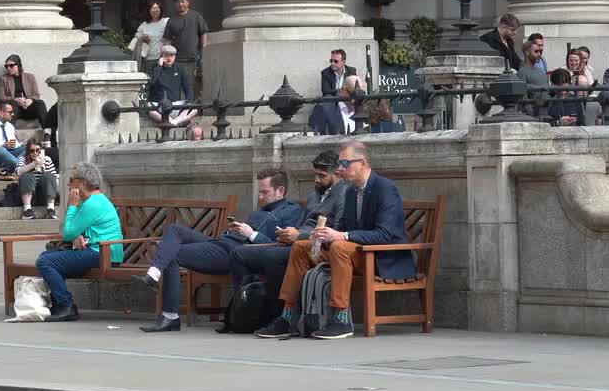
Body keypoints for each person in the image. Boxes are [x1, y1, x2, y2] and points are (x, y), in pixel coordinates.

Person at [256, 141, 417, 340]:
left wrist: (342, 236)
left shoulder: (385, 188)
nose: (340, 169)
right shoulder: (349, 191)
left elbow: (385, 234)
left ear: (363, 163)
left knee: (339, 246)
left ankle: (341, 318)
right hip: (354, 251)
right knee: (300, 246)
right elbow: (341, 228)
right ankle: (288, 316)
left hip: (380, 256)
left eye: (346, 163)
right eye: (340, 163)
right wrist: (323, 234)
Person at [135, 167, 303, 333]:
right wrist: (236, 229)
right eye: (260, 192)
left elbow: (279, 246)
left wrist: (252, 235)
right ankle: (154, 273)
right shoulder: (260, 211)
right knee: (174, 230)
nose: (260, 197)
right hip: (222, 242)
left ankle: (170, 316)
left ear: (280, 191)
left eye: (264, 192)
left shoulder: (292, 211)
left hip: (233, 253)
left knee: (170, 253)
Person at [230, 151, 349, 303]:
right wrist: (287, 234)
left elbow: (337, 232)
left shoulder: (344, 194)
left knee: (272, 257)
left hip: (318, 247)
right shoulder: (314, 195)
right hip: (297, 243)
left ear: (337, 174)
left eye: (322, 175)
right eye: (315, 174)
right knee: (238, 254)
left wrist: (299, 236)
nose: (316, 180)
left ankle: (279, 311)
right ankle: (243, 312)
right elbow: (301, 224)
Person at [34, 162, 123, 322]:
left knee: (45, 261)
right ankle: (59, 305)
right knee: (48, 255)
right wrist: (76, 236)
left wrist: (72, 207)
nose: (68, 183)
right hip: (98, 251)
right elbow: (71, 232)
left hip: (102, 253)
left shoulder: (92, 203)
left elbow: (67, 232)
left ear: (82, 182)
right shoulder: (94, 200)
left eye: (71, 179)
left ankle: (66, 306)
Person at [162, 0, 209, 93]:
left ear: (188, 2)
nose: (180, 4)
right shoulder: (171, 20)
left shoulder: (196, 16)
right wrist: (167, 58)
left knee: (194, 86)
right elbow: (167, 40)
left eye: (183, 1)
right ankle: (181, 108)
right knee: (178, 86)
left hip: (194, 58)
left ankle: (196, 108)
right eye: (178, 2)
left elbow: (203, 32)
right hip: (177, 60)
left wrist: (204, 50)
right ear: (174, 4)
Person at [147, 45, 198, 129]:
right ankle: (173, 121)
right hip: (159, 106)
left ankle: (174, 122)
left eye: (171, 55)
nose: (169, 58)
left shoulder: (180, 69)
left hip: (176, 105)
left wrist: (189, 102)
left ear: (175, 57)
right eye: (166, 55)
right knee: (149, 108)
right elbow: (151, 83)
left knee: (195, 108)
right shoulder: (154, 68)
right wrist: (159, 67)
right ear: (161, 56)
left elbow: (187, 87)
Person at [310, 49, 357, 135]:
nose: (332, 63)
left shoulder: (351, 71)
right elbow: (325, 91)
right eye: (331, 61)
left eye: (336, 61)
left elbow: (354, 88)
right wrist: (340, 92)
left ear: (344, 61)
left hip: (348, 102)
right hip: (333, 103)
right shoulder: (325, 73)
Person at [0, 54, 48, 124]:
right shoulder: (3, 79)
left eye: (11, 65)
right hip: (14, 108)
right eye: (6, 66)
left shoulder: (30, 77)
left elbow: (36, 94)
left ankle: (47, 132)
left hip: (27, 107)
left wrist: (30, 100)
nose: (8, 68)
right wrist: (15, 99)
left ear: (18, 65)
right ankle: (10, 133)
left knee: (40, 103)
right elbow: (2, 97)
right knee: (12, 105)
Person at [15, 138, 59, 220]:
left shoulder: (47, 159)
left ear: (41, 150)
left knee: (49, 176)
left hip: (45, 194)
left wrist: (43, 167)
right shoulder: (23, 159)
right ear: (28, 151)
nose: (35, 153)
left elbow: (54, 180)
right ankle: (27, 210)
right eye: (32, 151)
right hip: (29, 194)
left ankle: (51, 209)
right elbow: (18, 172)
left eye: (37, 150)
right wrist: (33, 164)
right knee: (27, 176)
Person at [131, 1, 169, 73]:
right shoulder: (145, 24)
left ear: (160, 10)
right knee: (150, 79)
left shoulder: (165, 21)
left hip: (162, 57)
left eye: (157, 8)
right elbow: (137, 35)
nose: (155, 10)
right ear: (149, 11)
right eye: (152, 8)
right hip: (148, 58)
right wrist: (143, 37)